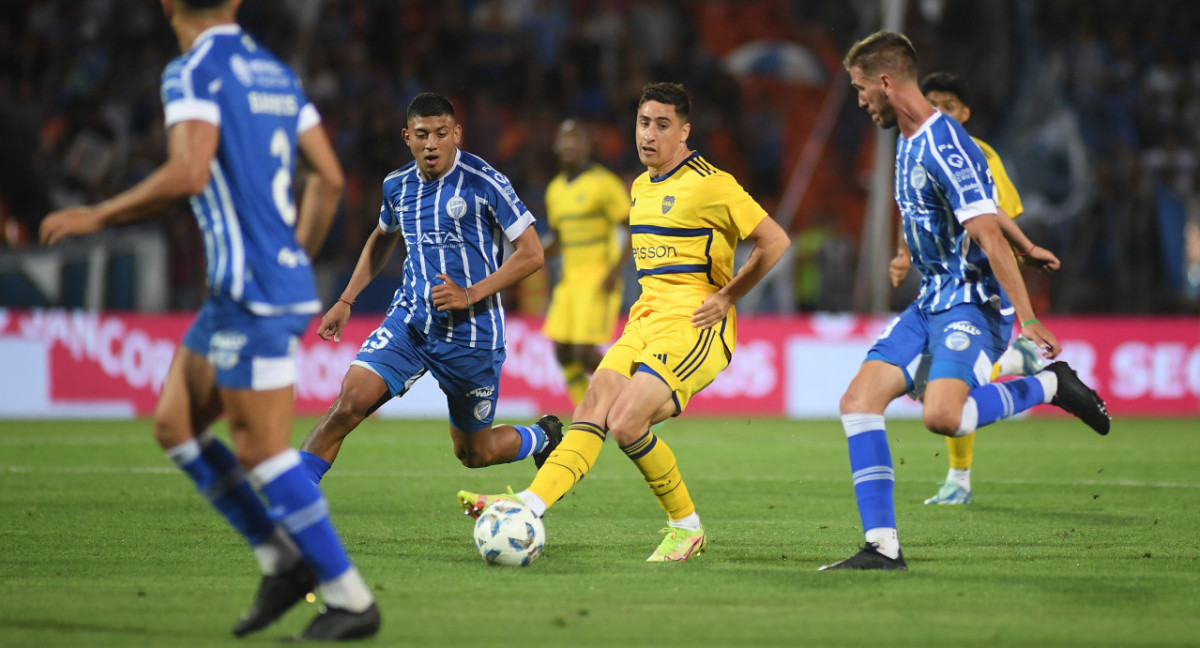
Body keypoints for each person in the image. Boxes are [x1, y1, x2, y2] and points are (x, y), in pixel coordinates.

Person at [39, 0, 379, 639]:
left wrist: (98, 214)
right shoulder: (275, 73)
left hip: (250, 292)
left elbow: (189, 171)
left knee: (261, 450)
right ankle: (282, 562)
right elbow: (329, 180)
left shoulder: (191, 71)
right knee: (175, 426)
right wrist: (292, 255)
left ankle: (351, 598)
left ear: (168, 5)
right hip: (249, 287)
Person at [457, 82, 791, 561]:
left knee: (627, 421)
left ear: (684, 131)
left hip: (695, 321)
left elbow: (774, 241)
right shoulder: (638, 186)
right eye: (643, 123)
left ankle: (686, 526)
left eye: (662, 125)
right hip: (644, 320)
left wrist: (728, 296)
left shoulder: (710, 183)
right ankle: (528, 506)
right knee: (591, 407)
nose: (649, 135)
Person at [824, 31, 1110, 571]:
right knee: (858, 403)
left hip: (971, 305)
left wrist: (1027, 317)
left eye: (862, 89)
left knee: (942, 418)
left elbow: (987, 235)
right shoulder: (907, 137)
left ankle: (1050, 383)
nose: (860, 100)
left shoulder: (944, 143)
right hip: (929, 300)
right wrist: (1028, 244)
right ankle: (882, 547)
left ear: (887, 82)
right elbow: (978, 207)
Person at [297, 92, 561, 485]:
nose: (431, 143)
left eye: (441, 133)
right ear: (407, 136)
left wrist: (469, 294)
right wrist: (346, 299)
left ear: (457, 133)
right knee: (348, 405)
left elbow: (532, 254)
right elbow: (383, 236)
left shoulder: (485, 182)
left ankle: (542, 437)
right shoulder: (397, 185)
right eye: (422, 134)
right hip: (411, 324)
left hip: (472, 336)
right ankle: (291, 505)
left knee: (475, 453)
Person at [888, 71, 1063, 505]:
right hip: (940, 291)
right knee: (930, 389)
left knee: (947, 387)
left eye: (948, 104)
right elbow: (911, 207)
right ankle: (1017, 366)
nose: (939, 110)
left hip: (980, 289)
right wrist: (902, 253)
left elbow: (996, 220)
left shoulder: (978, 155)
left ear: (965, 113)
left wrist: (1025, 290)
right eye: (933, 102)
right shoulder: (913, 145)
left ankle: (959, 478)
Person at [542, 119, 631, 406]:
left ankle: (637, 398)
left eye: (575, 139)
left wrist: (616, 270)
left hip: (598, 276)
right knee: (562, 352)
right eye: (564, 139)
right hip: (569, 280)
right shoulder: (554, 190)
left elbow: (632, 226)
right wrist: (535, 253)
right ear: (557, 146)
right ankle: (585, 408)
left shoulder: (603, 184)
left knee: (583, 352)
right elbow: (557, 238)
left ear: (587, 147)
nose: (569, 145)